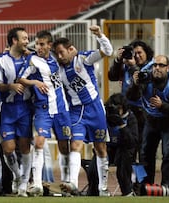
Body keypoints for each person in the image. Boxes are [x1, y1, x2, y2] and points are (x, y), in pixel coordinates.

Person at [52, 25, 113, 196]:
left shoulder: (84, 59)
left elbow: (107, 51)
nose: (59, 56)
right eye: (56, 53)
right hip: (76, 112)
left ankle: (103, 188)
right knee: (76, 145)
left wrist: (99, 35)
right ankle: (72, 182)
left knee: (100, 148)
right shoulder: (58, 70)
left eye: (61, 52)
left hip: (95, 109)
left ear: (71, 49)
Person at [18, 30, 72, 197]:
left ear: (50, 45)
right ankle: (37, 184)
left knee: (65, 146)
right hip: (43, 109)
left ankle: (66, 183)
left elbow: (72, 52)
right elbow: (21, 78)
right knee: (40, 142)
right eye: (37, 44)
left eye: (42, 44)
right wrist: (35, 81)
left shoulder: (57, 58)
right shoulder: (32, 60)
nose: (38, 47)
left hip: (62, 109)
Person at [126, 55, 169, 187]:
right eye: (155, 65)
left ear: (168, 68)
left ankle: (167, 185)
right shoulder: (145, 79)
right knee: (145, 152)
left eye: (161, 65)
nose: (157, 68)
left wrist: (162, 105)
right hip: (152, 120)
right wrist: (135, 84)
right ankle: (146, 185)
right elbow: (131, 97)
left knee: (168, 152)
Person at [0, 27, 32, 197]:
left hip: (25, 108)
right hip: (7, 109)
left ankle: (24, 183)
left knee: (25, 147)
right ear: (14, 41)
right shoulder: (1, 60)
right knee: (8, 149)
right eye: (24, 38)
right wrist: (10, 86)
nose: (27, 41)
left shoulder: (32, 58)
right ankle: (17, 176)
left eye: (27, 38)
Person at [108, 40, 154, 161]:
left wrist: (134, 67)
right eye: (134, 53)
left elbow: (136, 93)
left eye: (140, 53)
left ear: (146, 53)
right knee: (129, 147)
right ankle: (130, 178)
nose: (137, 56)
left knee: (144, 149)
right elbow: (112, 76)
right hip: (129, 111)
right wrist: (118, 61)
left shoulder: (150, 68)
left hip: (144, 112)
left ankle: (145, 179)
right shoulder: (126, 66)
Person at [88, 93, 139, 196]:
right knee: (94, 166)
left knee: (124, 160)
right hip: (108, 149)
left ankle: (127, 191)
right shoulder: (104, 117)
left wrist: (122, 125)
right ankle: (93, 192)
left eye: (118, 108)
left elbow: (132, 142)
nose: (116, 110)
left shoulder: (130, 118)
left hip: (123, 149)